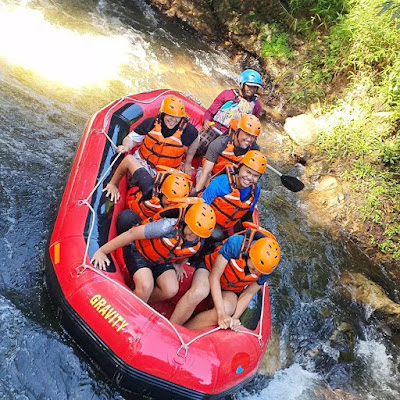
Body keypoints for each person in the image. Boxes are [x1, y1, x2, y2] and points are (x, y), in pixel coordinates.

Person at [91, 201, 216, 304]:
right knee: (146, 286)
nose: (193, 236)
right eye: (192, 231)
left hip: (160, 259)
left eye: (198, 234)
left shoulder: (198, 239)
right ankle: (132, 303)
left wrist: (178, 264)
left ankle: (139, 301)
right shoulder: (167, 226)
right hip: (139, 251)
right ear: (186, 222)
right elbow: (132, 233)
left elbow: (187, 252)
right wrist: (102, 251)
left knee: (171, 289)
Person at [169, 224, 280, 329]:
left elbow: (248, 293)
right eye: (254, 267)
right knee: (198, 292)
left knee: (227, 310)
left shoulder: (268, 268)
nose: (254, 272)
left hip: (230, 289)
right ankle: (171, 326)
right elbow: (214, 277)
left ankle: (185, 331)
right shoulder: (235, 244)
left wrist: (234, 319)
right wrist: (220, 312)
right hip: (209, 271)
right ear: (251, 254)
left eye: (258, 270)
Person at [117, 96, 199, 176]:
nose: (173, 120)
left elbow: (196, 138)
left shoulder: (187, 130)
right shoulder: (150, 123)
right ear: (163, 114)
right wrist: (126, 146)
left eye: (177, 117)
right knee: (143, 179)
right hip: (143, 163)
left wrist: (188, 161)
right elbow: (131, 139)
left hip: (168, 171)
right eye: (170, 115)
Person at [102, 154, 192, 220]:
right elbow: (128, 160)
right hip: (138, 216)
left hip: (154, 229)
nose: (170, 206)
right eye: (168, 202)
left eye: (175, 203)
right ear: (161, 191)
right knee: (126, 218)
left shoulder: (180, 211)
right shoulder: (149, 186)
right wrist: (113, 184)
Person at [201, 150, 266, 232]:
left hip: (227, 226)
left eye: (255, 176)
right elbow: (201, 207)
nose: (249, 178)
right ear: (239, 168)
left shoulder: (255, 191)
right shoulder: (220, 183)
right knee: (216, 235)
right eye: (248, 172)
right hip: (206, 221)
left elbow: (248, 215)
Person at [195, 114, 261, 192]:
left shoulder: (254, 150)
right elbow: (205, 172)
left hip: (233, 180)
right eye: (247, 134)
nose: (249, 139)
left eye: (253, 136)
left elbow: (251, 175)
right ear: (237, 131)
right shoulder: (220, 143)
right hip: (212, 175)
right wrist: (197, 193)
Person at [202, 69, 263, 134]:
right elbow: (210, 112)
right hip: (215, 129)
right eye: (249, 86)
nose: (251, 90)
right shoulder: (227, 94)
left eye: (254, 87)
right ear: (242, 85)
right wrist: (206, 121)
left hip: (231, 137)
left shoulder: (256, 106)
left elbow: (253, 127)